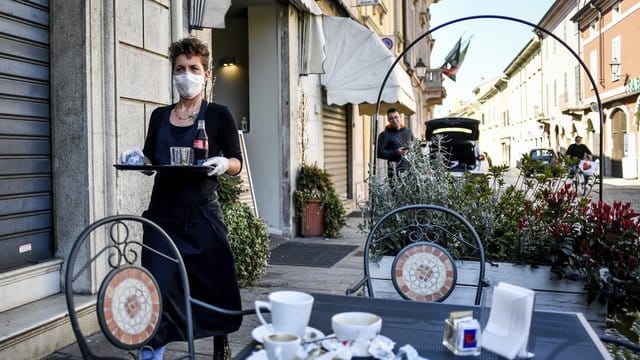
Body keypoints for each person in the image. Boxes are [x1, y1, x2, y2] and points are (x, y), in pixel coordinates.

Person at [140, 37, 242, 360]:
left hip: (202, 215)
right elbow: (147, 161)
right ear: (172, 73)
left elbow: (237, 162)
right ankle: (150, 352)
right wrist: (136, 160)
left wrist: (225, 164)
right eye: (180, 68)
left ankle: (219, 339)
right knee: (156, 284)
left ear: (207, 74)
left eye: (193, 68)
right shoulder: (159, 117)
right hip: (162, 215)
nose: (187, 74)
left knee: (215, 279)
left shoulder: (218, 115)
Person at [376, 108, 413, 178]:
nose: (394, 120)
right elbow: (380, 153)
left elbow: (415, 146)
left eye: (396, 117)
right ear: (388, 120)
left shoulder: (408, 131)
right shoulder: (384, 135)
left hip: (410, 169)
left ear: (400, 117)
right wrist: (396, 152)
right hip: (394, 172)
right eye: (391, 118)